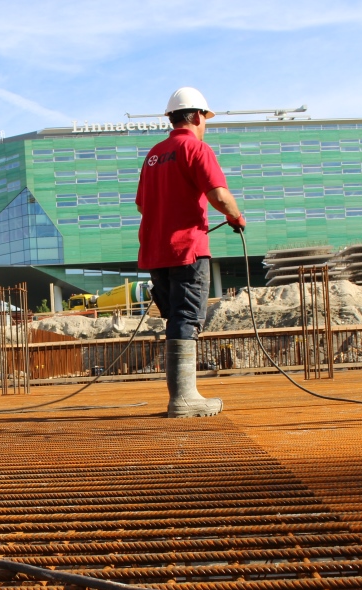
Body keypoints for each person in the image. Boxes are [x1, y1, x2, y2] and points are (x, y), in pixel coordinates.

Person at [135, 86, 246, 418]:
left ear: (171, 117)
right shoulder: (197, 149)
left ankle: (181, 396)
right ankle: (183, 399)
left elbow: (142, 205)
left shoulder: (154, 154)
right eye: (206, 118)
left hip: (156, 252)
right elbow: (219, 196)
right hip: (187, 251)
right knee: (187, 319)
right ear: (198, 116)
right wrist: (235, 217)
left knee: (175, 318)